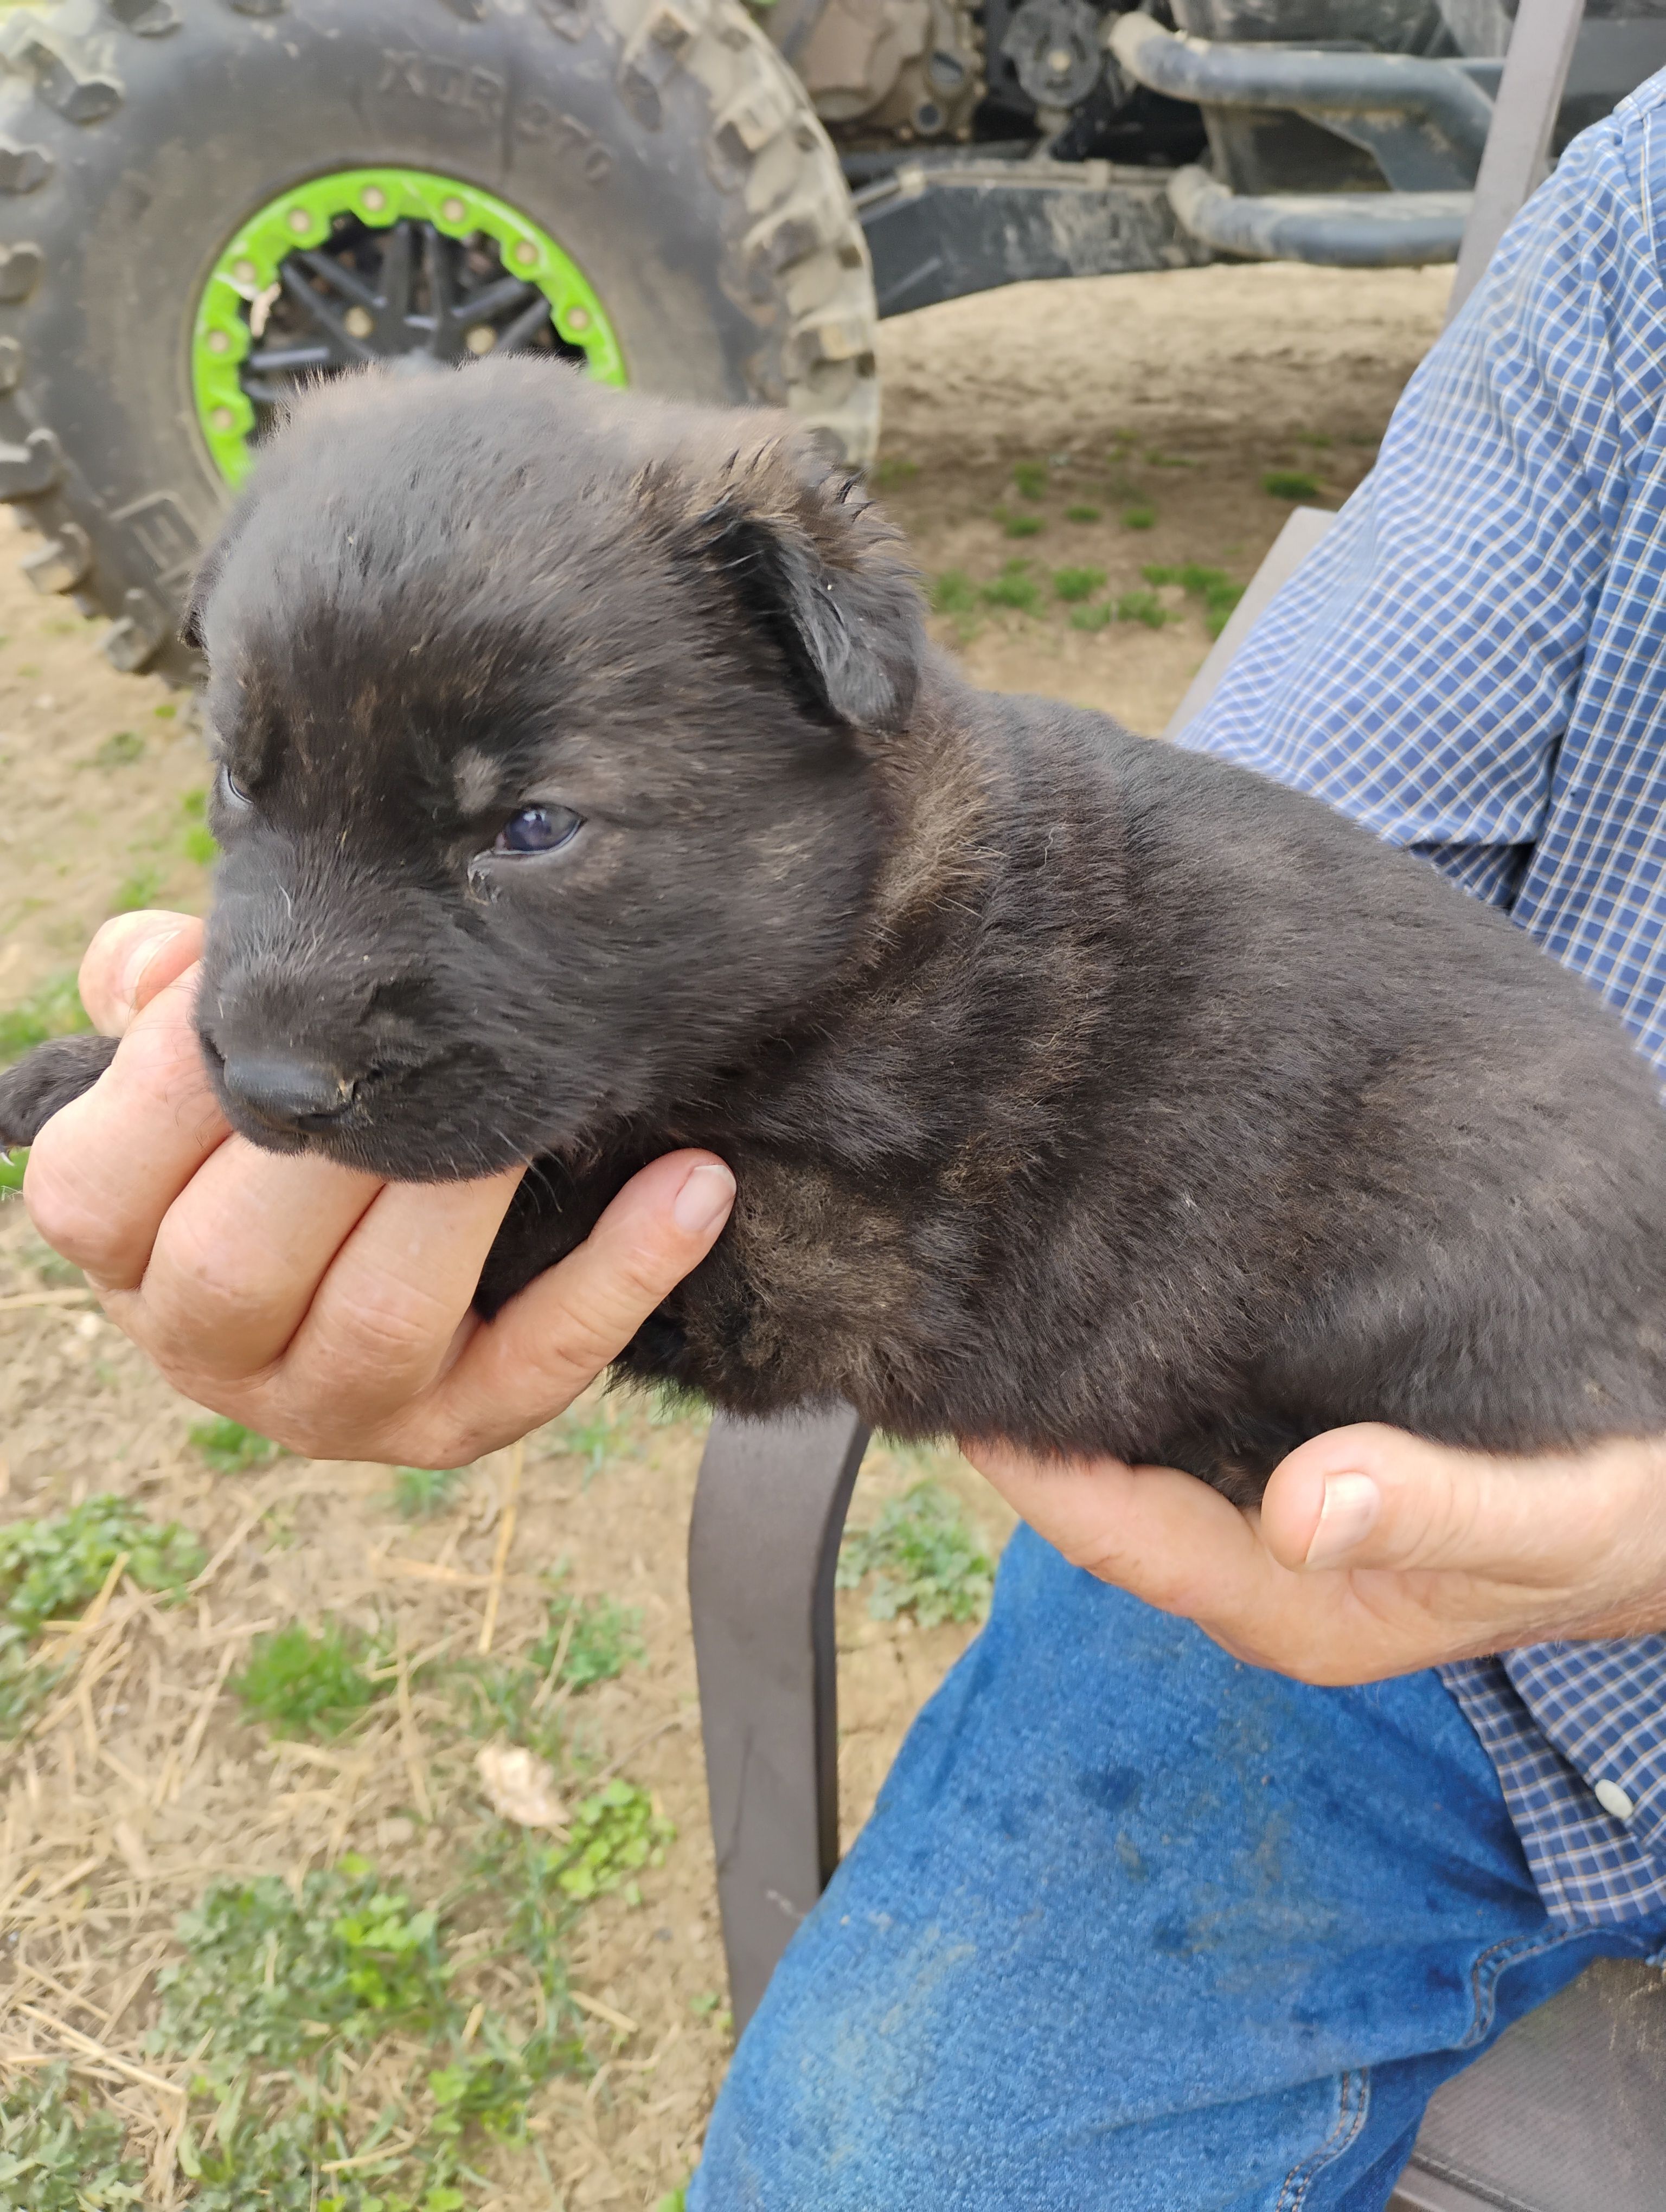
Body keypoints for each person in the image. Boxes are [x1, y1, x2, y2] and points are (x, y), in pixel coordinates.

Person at [21, 73, 1666, 2209]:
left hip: (1518, 1411)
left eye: (527, 823)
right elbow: (1322, 790)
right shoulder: (1635, 229)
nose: (292, 1006)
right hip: (1312, 1607)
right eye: (257, 786)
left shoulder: (952, 966)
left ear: (825, 695)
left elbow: (800, 1292)